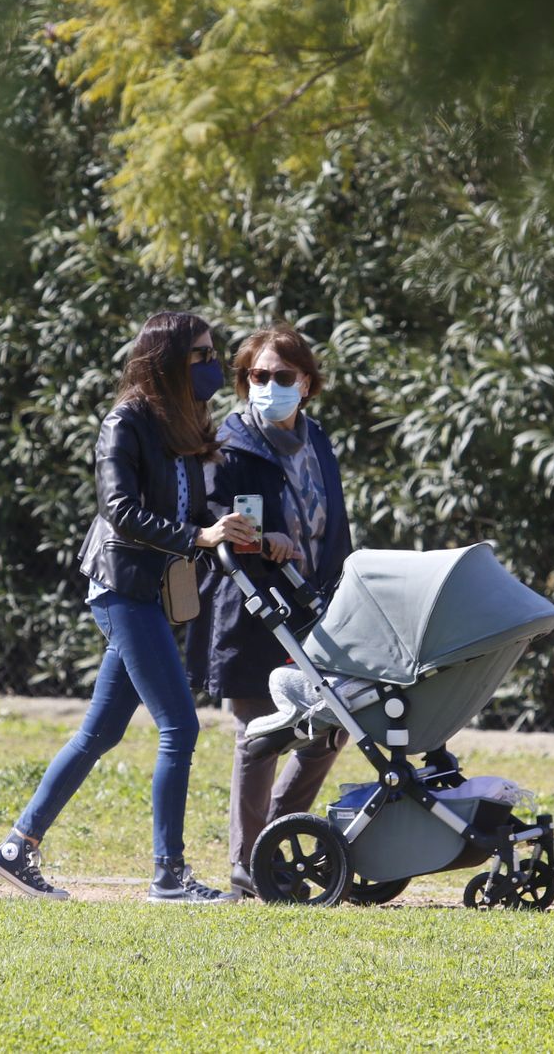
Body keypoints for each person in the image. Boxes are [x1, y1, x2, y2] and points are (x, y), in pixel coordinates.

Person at [0, 311, 257, 903]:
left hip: (154, 591)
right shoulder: (125, 423)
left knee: (99, 733)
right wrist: (198, 539)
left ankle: (17, 848)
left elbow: (183, 513)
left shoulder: (182, 423)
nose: (213, 365)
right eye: (201, 355)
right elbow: (120, 510)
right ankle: (169, 875)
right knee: (179, 727)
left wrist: (220, 530)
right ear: (165, 360)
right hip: (123, 588)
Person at [186, 325, 352, 899]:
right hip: (251, 604)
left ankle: (273, 842)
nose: (271, 386)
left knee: (332, 726)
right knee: (257, 733)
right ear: (244, 381)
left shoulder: (319, 442)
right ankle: (245, 865)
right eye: (260, 377)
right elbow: (218, 520)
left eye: (284, 377)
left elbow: (337, 524)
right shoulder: (228, 446)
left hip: (316, 604)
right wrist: (264, 538)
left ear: (306, 383)